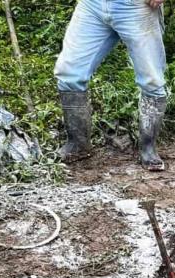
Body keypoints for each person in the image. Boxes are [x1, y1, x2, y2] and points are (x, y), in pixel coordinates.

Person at [54, 0, 167, 171]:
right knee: (69, 74)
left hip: (136, 7)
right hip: (92, 5)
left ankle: (148, 149)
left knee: (152, 80)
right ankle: (78, 145)